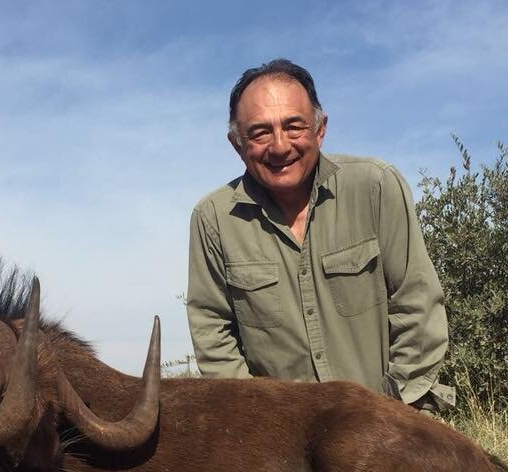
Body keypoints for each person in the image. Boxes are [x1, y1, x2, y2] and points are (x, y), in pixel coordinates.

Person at [186, 58, 454, 411]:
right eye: (260, 132)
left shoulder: (375, 185)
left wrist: (383, 413)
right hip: (280, 436)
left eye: (293, 126)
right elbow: (213, 333)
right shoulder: (213, 219)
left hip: (391, 417)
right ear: (238, 144)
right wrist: (265, 421)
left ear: (320, 129)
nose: (280, 146)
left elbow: (417, 305)